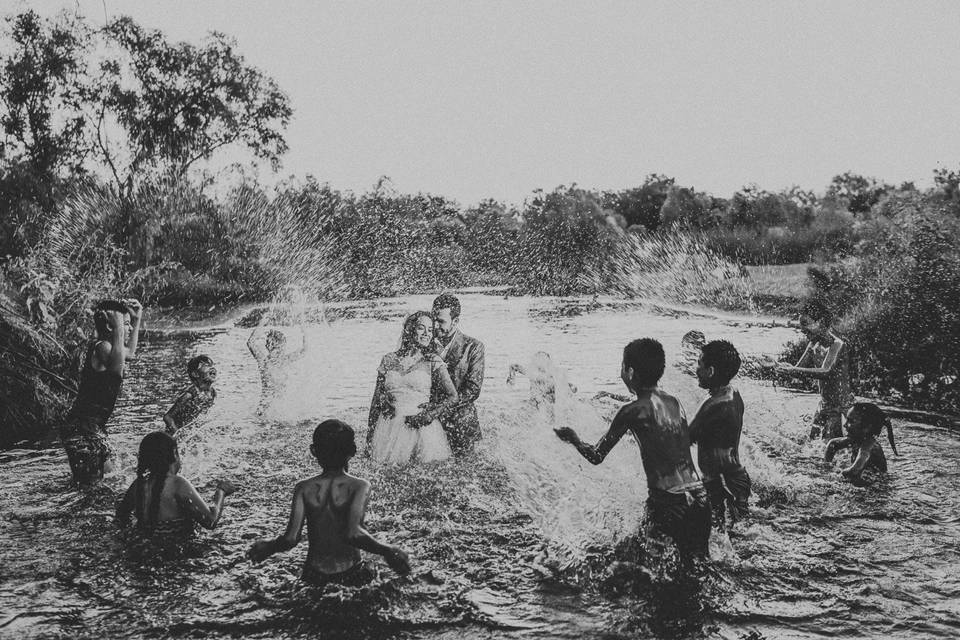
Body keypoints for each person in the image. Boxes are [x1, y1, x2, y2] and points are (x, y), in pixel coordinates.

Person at [555, 338, 711, 570]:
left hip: (668, 503)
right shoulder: (674, 402)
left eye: (622, 367)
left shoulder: (631, 411)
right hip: (699, 498)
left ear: (629, 371)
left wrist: (574, 439)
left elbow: (597, 456)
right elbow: (674, 441)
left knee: (637, 561)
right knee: (698, 565)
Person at [248, 419, 411, 586]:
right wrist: (388, 550)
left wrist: (269, 547)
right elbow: (353, 533)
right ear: (353, 451)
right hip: (350, 573)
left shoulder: (304, 488)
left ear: (314, 451)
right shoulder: (359, 486)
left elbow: (290, 539)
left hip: (313, 575)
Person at [61, 298, 143, 487]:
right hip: (81, 429)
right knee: (90, 486)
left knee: (110, 475)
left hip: (92, 428)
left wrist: (137, 319)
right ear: (110, 325)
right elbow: (116, 371)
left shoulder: (111, 347)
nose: (128, 329)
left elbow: (128, 354)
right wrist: (118, 329)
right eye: (126, 325)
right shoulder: (102, 347)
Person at [367, 311, 458, 464]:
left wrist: (431, 414)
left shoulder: (433, 361)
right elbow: (376, 400)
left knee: (422, 473)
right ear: (410, 330)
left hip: (420, 426)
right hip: (389, 427)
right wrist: (369, 439)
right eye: (421, 328)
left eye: (430, 330)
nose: (426, 334)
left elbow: (453, 396)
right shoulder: (388, 359)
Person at [407, 294, 485, 456]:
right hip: (426, 421)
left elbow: (473, 390)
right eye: (433, 318)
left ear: (455, 321)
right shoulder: (423, 341)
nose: (434, 325)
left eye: (441, 321)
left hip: (460, 422)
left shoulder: (474, 347)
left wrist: (438, 408)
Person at [116, 431, 236, 537]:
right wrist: (221, 491)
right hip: (177, 552)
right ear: (174, 454)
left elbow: (121, 518)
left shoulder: (138, 485)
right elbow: (211, 521)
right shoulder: (178, 484)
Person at [764, 299, 853, 440]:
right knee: (812, 444)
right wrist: (777, 366)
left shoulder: (837, 344)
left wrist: (792, 370)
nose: (801, 329)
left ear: (822, 322)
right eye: (801, 325)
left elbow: (826, 371)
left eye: (805, 324)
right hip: (824, 405)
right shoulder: (813, 344)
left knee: (832, 448)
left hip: (841, 408)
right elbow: (798, 370)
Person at [690, 340, 750, 532]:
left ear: (711, 371)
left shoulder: (713, 404)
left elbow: (685, 439)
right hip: (735, 478)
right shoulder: (734, 393)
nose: (695, 369)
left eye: (699, 363)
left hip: (722, 482)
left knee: (720, 537)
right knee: (735, 534)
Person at [824, 402, 898, 485]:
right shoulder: (857, 438)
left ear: (867, 427)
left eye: (851, 421)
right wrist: (827, 467)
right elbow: (833, 444)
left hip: (875, 491)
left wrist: (835, 474)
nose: (844, 425)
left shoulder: (869, 446)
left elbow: (854, 471)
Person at [247, 326, 307, 414]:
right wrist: (261, 323)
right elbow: (250, 343)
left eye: (282, 348)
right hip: (264, 412)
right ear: (271, 346)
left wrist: (304, 329)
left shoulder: (283, 361)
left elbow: (304, 350)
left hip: (276, 412)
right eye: (279, 348)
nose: (282, 350)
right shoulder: (264, 361)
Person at [163, 355, 217, 435]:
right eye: (206, 366)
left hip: (190, 430)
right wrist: (178, 434)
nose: (212, 368)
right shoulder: (189, 395)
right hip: (174, 433)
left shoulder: (212, 393)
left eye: (212, 365)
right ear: (195, 374)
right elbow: (167, 417)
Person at [506, 351, 578, 408]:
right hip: (544, 403)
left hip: (541, 403)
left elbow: (513, 366)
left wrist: (511, 378)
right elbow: (514, 366)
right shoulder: (536, 373)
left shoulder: (534, 373)